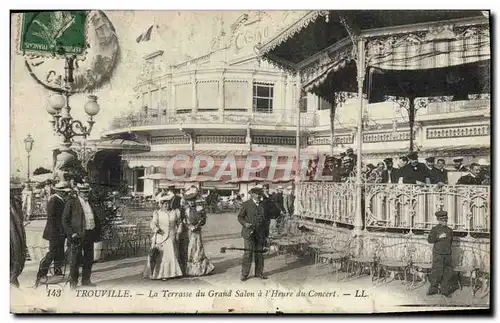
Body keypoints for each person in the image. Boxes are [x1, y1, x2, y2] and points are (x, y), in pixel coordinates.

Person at [62, 183, 101, 289]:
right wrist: (72, 233)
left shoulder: (90, 203)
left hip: (89, 234)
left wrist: (96, 232)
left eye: (87, 192)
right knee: (75, 260)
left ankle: (86, 280)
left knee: (89, 258)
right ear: (78, 192)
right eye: (84, 192)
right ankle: (73, 283)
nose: (86, 194)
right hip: (77, 236)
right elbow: (65, 221)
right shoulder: (72, 203)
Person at [35, 181, 72, 286]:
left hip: (59, 231)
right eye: (65, 192)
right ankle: (42, 272)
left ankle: (57, 269)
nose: (66, 194)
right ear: (60, 192)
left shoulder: (59, 200)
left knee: (59, 251)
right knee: (52, 252)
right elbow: (52, 219)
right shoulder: (54, 200)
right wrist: (60, 230)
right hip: (54, 232)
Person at [143, 192, 184, 280]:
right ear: (161, 204)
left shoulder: (175, 212)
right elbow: (153, 223)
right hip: (161, 237)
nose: (166, 205)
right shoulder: (157, 213)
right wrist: (156, 229)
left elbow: (179, 223)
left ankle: (172, 273)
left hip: (172, 236)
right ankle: (161, 274)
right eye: (164, 203)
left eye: (168, 203)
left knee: (172, 254)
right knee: (162, 255)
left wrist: (178, 233)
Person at [238, 186, 270, 281]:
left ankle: (259, 273)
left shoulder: (263, 205)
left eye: (260, 194)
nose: (258, 196)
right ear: (252, 194)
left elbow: (266, 221)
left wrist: (266, 235)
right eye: (257, 194)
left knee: (259, 253)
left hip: (260, 234)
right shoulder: (246, 204)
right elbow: (240, 217)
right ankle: (244, 274)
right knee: (248, 253)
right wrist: (245, 224)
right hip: (248, 233)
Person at [182, 186, 215, 276]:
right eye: (189, 201)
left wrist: (198, 225)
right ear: (187, 201)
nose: (191, 202)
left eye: (192, 200)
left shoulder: (199, 209)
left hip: (196, 232)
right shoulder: (186, 210)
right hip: (188, 232)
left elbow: (203, 220)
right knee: (189, 249)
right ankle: (189, 269)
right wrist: (188, 225)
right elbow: (184, 220)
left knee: (197, 249)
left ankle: (200, 269)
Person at [427, 210, 455, 298]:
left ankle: (445, 290)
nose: (444, 221)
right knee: (436, 272)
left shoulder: (450, 230)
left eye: (446, 220)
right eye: (442, 220)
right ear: (438, 220)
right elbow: (430, 240)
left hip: (447, 255)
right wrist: (438, 237)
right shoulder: (434, 229)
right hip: (438, 254)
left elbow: (450, 242)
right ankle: (433, 289)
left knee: (447, 273)